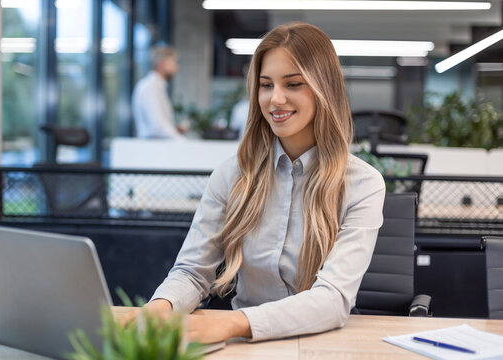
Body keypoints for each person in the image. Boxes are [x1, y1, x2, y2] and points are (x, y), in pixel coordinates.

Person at [123, 22, 385, 343]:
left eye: (293, 84)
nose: (275, 99)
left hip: (319, 342)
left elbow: (332, 299)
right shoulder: (232, 175)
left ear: (322, 88)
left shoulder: (362, 184)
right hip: (244, 346)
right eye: (266, 84)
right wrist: (160, 308)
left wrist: (234, 323)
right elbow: (192, 272)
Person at [131, 45, 185, 139]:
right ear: (160, 64)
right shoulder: (150, 87)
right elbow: (158, 125)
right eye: (172, 61)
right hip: (152, 145)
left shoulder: (156, 87)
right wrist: (181, 140)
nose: (176, 66)